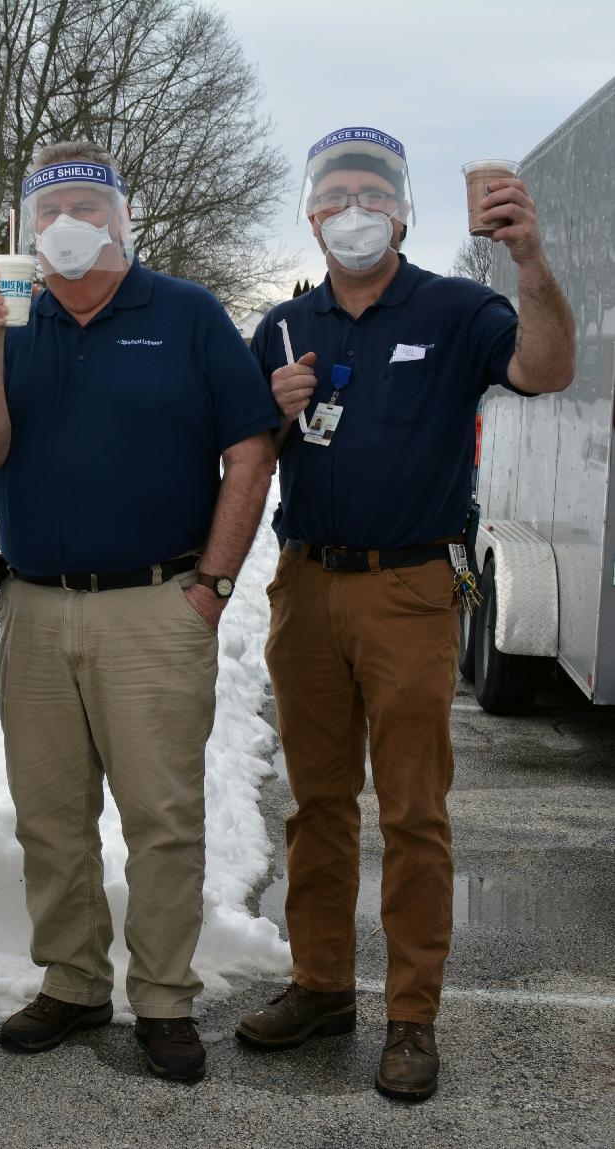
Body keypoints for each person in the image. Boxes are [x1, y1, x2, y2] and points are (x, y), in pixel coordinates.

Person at [235, 126, 575, 1101]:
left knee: (415, 812)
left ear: (402, 208)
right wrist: (273, 405)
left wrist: (531, 260)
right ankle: (321, 986)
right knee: (317, 805)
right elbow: (247, 453)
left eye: (370, 192)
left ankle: (413, 1017)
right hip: (305, 584)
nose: (351, 207)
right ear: (309, 211)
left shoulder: (459, 309)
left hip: (410, 589)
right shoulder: (284, 328)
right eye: (334, 192)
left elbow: (548, 370)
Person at [0, 142, 278, 1083]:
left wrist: (212, 585)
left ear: (122, 219)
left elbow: (250, 451)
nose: (68, 225)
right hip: (36, 608)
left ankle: (166, 996)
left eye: (89, 207)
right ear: (24, 227)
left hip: (155, 605)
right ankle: (73, 979)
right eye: (50, 209)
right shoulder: (12, 321)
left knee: (161, 818)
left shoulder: (186, 315)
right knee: (50, 817)